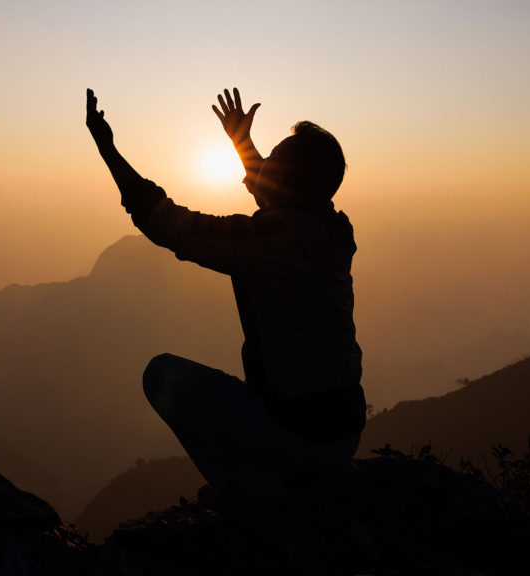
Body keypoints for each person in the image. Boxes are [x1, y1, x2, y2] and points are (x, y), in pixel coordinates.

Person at [86, 87, 366, 509]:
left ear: (288, 179)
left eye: (274, 157)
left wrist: (108, 150)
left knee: (161, 376)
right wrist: (242, 142)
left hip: (297, 430)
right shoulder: (328, 230)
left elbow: (169, 225)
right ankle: (306, 473)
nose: (265, 163)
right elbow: (277, 195)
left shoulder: (271, 241)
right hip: (343, 432)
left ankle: (247, 488)